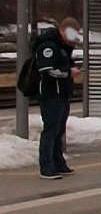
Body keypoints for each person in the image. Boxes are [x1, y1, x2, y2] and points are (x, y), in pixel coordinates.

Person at [36, 17, 82, 179]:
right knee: (51, 130)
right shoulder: (48, 45)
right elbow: (47, 70)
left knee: (58, 130)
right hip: (51, 94)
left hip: (61, 93)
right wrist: (68, 72)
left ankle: (58, 162)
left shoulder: (63, 47)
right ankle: (46, 165)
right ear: (63, 30)